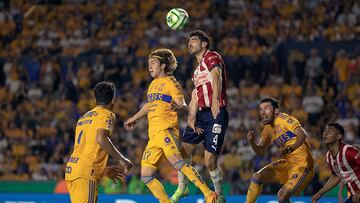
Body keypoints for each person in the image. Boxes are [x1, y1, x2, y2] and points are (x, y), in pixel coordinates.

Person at [124, 48, 218, 203]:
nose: (150, 66)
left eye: (153, 63)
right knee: (146, 175)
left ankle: (208, 193)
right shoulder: (153, 85)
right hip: (153, 136)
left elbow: (183, 103)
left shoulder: (171, 82)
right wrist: (135, 118)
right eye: (149, 63)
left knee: (177, 162)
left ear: (163, 66)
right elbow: (150, 104)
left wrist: (178, 105)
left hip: (166, 130)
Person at [171, 30, 229, 203]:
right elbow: (195, 96)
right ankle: (182, 187)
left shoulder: (212, 56)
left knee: (209, 160)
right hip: (201, 115)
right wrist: (191, 119)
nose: (190, 43)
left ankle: (219, 196)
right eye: (189, 41)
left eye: (194, 40)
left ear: (204, 44)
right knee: (183, 152)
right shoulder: (196, 72)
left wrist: (216, 101)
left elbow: (216, 77)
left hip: (216, 113)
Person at [65, 81, 133, 203]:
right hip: (86, 173)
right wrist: (122, 159)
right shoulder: (106, 115)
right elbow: (101, 138)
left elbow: (87, 148)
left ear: (95, 98)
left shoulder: (84, 117)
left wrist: (103, 169)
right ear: (113, 100)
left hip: (74, 169)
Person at [246, 97, 314, 203]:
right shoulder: (268, 129)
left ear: (276, 110)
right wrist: (251, 142)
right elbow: (260, 151)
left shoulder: (285, 119)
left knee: (282, 196)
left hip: (303, 164)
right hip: (287, 164)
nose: (263, 112)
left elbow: (302, 135)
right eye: (261, 109)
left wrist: (291, 148)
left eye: (266, 108)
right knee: (257, 176)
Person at [312, 123, 360, 203]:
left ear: (339, 136)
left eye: (329, 131)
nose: (325, 133)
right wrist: (319, 193)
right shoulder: (328, 157)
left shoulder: (348, 151)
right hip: (354, 196)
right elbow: (336, 176)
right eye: (325, 131)